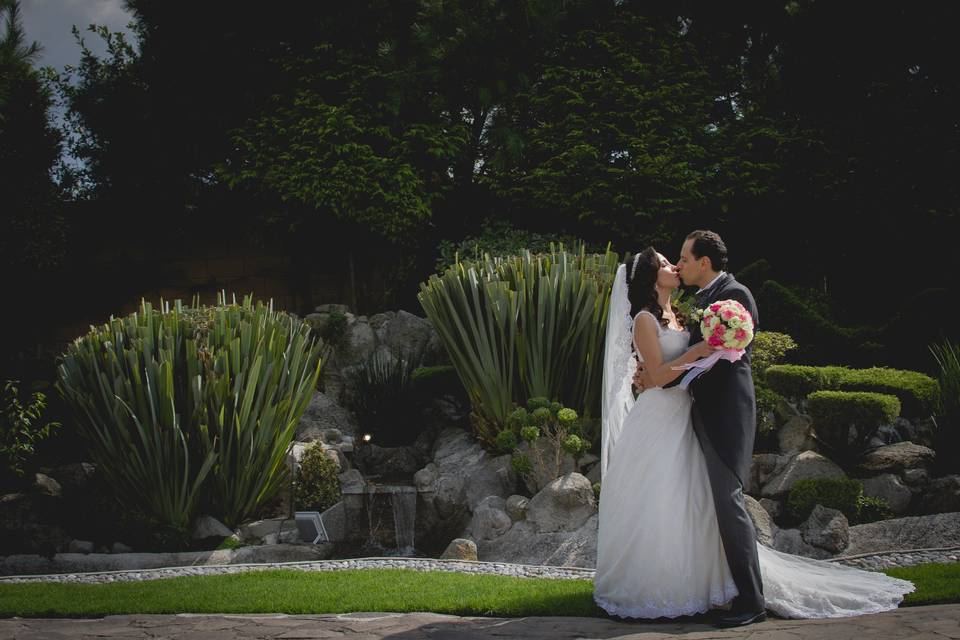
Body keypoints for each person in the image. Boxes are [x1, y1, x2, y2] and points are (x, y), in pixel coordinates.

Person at [594, 236, 914, 626]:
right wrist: (663, 370)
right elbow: (664, 367)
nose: (676, 265)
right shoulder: (667, 312)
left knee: (713, 502)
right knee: (676, 500)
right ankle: (677, 584)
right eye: (667, 261)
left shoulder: (721, 300)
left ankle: (745, 596)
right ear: (650, 277)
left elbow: (711, 357)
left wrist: (669, 368)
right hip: (670, 418)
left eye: (680, 258)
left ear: (704, 261)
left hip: (713, 413)